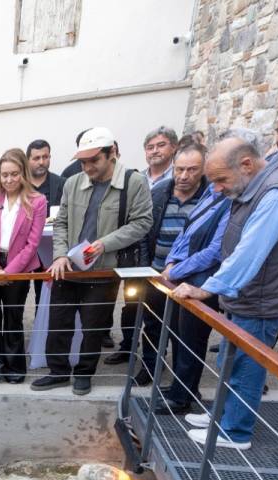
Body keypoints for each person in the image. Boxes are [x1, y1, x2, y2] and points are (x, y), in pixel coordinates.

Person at [173, 130, 278, 449]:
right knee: (230, 356)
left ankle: (234, 431)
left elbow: (252, 250)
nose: (217, 188)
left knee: (247, 365)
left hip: (265, 296)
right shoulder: (264, 181)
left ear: (246, 164)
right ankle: (223, 414)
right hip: (252, 294)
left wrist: (208, 288)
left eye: (221, 179)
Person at [33, 127, 152, 395]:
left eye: (93, 160)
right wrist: (61, 254)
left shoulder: (133, 183)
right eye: (83, 161)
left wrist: (104, 243)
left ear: (112, 154)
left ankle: (84, 373)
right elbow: (61, 222)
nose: (86, 167)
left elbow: (143, 222)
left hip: (103, 270)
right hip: (69, 269)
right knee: (59, 322)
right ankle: (58, 371)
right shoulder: (73, 182)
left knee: (93, 326)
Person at [117, 144, 211, 380]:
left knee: (185, 331)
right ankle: (149, 368)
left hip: (191, 278)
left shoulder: (211, 198)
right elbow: (144, 233)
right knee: (152, 324)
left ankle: (181, 378)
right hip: (157, 273)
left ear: (203, 170)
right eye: (180, 169)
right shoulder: (159, 192)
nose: (183, 176)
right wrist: (148, 270)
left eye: (191, 170)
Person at [152, 171, 232, 415]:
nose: (215, 182)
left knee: (191, 341)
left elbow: (215, 251)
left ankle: (182, 396)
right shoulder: (211, 194)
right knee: (178, 335)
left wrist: (175, 270)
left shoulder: (232, 202)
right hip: (182, 276)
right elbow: (186, 233)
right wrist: (172, 262)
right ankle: (181, 387)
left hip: (200, 281)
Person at [0, 148, 48, 386]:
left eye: (14, 174)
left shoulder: (37, 202)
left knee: (13, 318)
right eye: (4, 175)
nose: (8, 180)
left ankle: (14, 367)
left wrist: (9, 272)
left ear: (23, 173)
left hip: (19, 266)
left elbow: (32, 243)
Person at [25, 139, 64, 206]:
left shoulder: (62, 184)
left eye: (45, 157)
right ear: (27, 160)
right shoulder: (19, 184)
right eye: (36, 158)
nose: (41, 162)